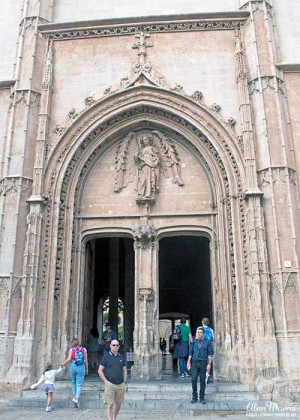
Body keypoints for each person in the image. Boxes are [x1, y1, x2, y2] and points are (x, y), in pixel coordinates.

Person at [98, 339, 127, 420]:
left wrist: (124, 381)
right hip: (110, 383)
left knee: (118, 404)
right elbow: (100, 370)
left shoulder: (121, 356)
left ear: (119, 347)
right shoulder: (106, 357)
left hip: (120, 383)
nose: (115, 347)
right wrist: (105, 381)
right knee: (109, 404)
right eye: (113, 345)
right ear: (110, 346)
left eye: (117, 345)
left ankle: (114, 417)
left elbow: (124, 370)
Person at [187, 326, 214, 404]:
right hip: (195, 362)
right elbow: (190, 353)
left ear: (203, 333)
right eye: (198, 332)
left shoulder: (207, 342)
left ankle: (202, 397)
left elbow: (210, 354)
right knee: (193, 379)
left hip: (203, 363)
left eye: (200, 333)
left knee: (202, 381)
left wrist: (209, 364)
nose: (199, 334)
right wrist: (188, 362)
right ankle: (194, 397)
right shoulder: (194, 342)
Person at [61, 337, 88, 408]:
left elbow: (69, 359)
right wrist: (86, 369)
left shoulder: (71, 350)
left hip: (73, 366)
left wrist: (62, 364)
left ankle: (74, 395)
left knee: (73, 381)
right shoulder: (84, 349)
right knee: (79, 384)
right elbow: (85, 360)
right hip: (81, 366)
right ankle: (76, 398)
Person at [201, 318, 214, 382]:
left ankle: (203, 374)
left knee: (202, 359)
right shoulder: (211, 329)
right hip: (209, 345)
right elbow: (213, 339)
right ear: (208, 323)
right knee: (209, 359)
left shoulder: (199, 328)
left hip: (202, 345)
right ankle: (207, 373)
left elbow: (198, 337)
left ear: (202, 322)